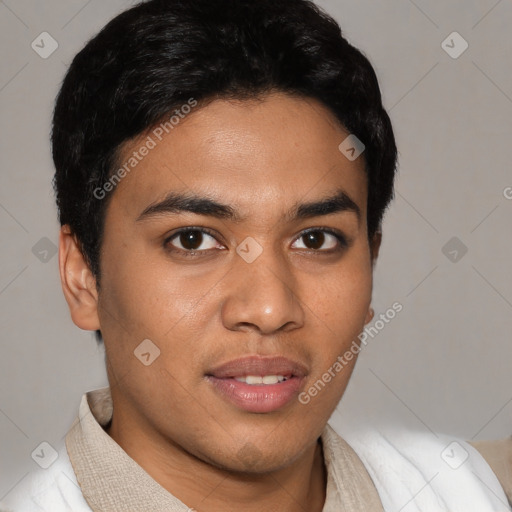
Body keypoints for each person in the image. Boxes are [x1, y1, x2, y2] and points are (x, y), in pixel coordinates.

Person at [1, 0, 510, 510]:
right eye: (193, 240)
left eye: (316, 240)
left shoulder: (471, 492)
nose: (269, 309)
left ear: (371, 262)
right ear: (82, 275)